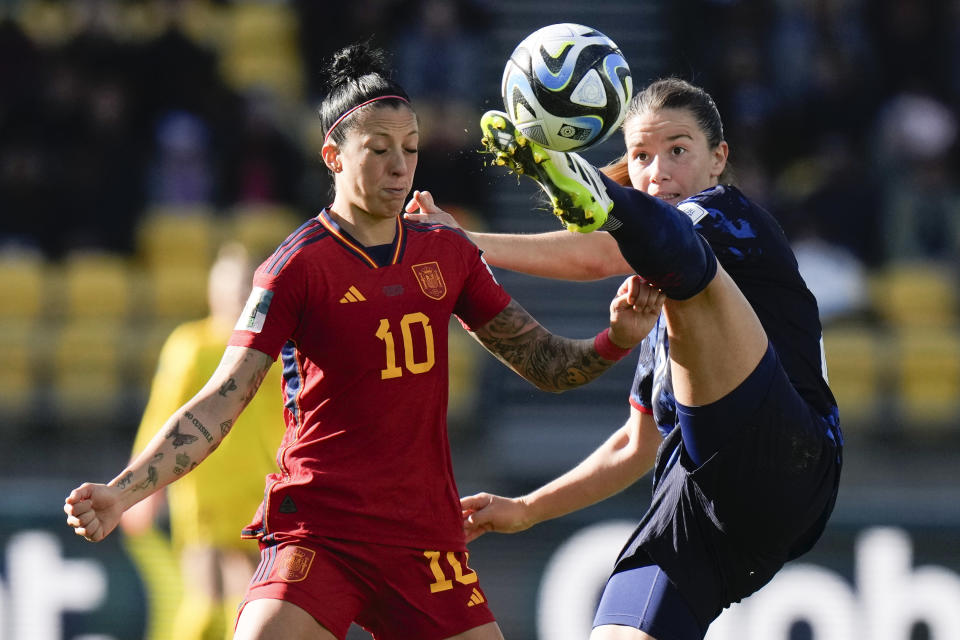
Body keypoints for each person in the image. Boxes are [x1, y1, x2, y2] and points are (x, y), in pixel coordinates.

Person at [64, 43, 663, 640]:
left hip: (423, 541)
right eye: (379, 151)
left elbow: (547, 365)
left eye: (409, 150)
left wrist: (615, 339)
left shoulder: (446, 251)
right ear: (333, 156)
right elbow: (222, 399)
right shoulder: (294, 268)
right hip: (321, 534)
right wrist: (121, 493)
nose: (400, 167)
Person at [405, 78, 843, 640]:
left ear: (718, 160)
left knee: (684, 262)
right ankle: (593, 195)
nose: (658, 171)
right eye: (641, 157)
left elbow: (599, 256)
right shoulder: (662, 311)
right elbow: (636, 445)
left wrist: (463, 241)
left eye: (677, 150)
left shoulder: (733, 218)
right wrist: (527, 508)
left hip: (792, 455)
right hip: (701, 503)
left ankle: (592, 193)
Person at [120, 242, 284, 640]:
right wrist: (137, 486)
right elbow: (162, 416)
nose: (235, 295)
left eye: (244, 286)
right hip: (203, 486)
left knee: (249, 596)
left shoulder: (272, 350)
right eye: (227, 286)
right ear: (213, 290)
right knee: (206, 593)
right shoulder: (191, 345)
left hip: (257, 487)